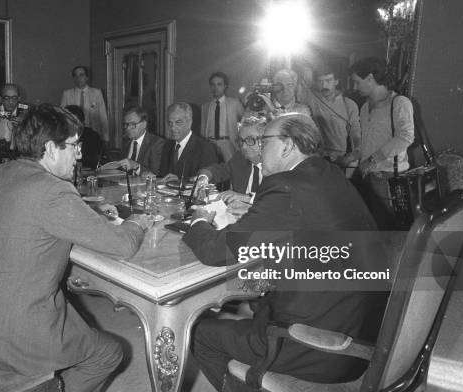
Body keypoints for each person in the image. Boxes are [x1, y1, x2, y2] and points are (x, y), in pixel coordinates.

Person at [0, 104, 151, 391]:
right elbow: (122, 245)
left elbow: (29, 213)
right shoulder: (53, 190)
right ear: (50, 148)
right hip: (16, 334)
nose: (79, 154)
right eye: (73, 145)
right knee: (109, 353)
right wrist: (137, 221)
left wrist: (86, 211)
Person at [183, 114, 378, 390]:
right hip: (359, 325)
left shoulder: (287, 186)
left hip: (321, 344)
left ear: (287, 146)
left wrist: (198, 220)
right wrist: (256, 215)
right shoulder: (328, 173)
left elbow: (216, 250)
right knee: (250, 286)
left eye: (264, 141)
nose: (259, 148)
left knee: (200, 334)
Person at [349, 57, 415, 229]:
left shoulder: (399, 103)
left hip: (389, 179)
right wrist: (355, 156)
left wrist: (372, 160)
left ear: (370, 78)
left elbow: (405, 137)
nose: (354, 87)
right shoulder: (364, 107)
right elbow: (367, 140)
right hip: (369, 177)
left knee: (391, 229)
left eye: (357, 82)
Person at [196, 117, 266, 208]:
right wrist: (203, 178)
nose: (244, 147)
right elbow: (218, 170)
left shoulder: (277, 167)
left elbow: (275, 201)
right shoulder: (240, 158)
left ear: (264, 141)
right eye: (242, 141)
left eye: (250, 140)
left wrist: (245, 198)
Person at [302, 65, 361, 163]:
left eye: (328, 80)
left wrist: (356, 152)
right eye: (320, 81)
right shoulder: (310, 99)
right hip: (314, 156)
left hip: (339, 157)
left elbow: (355, 131)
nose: (324, 85)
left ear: (336, 81)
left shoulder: (348, 104)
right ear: (315, 83)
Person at [158, 102, 219, 181]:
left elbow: (209, 183)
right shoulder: (167, 146)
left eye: (178, 122)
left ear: (190, 122)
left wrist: (180, 181)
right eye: (170, 123)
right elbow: (163, 176)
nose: (172, 128)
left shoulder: (205, 148)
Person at [201, 72, 245, 162]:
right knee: (211, 170)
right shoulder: (205, 106)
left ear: (225, 86)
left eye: (219, 84)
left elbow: (246, 121)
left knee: (231, 170)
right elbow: (203, 128)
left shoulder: (234, 103)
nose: (215, 88)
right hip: (210, 143)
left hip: (228, 143)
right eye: (213, 84)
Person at [61, 66, 109, 143]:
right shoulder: (67, 94)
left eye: (81, 75)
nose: (78, 78)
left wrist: (106, 138)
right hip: (74, 135)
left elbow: (103, 116)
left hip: (93, 134)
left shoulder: (97, 93)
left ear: (87, 77)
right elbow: (62, 117)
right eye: (76, 76)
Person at [0, 83, 26, 163]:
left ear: (19, 98)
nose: (11, 101)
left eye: (14, 98)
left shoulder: (26, 112)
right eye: (6, 98)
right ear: (0, 98)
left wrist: (22, 125)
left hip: (19, 159)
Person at [117, 106, 165, 175]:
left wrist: (136, 166)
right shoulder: (126, 143)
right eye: (126, 124)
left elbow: (155, 174)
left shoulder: (157, 143)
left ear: (144, 124)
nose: (128, 128)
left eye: (133, 124)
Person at [65, 105, 103, 169]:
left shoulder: (93, 137)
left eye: (75, 123)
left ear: (82, 123)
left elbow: (93, 162)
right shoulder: (60, 136)